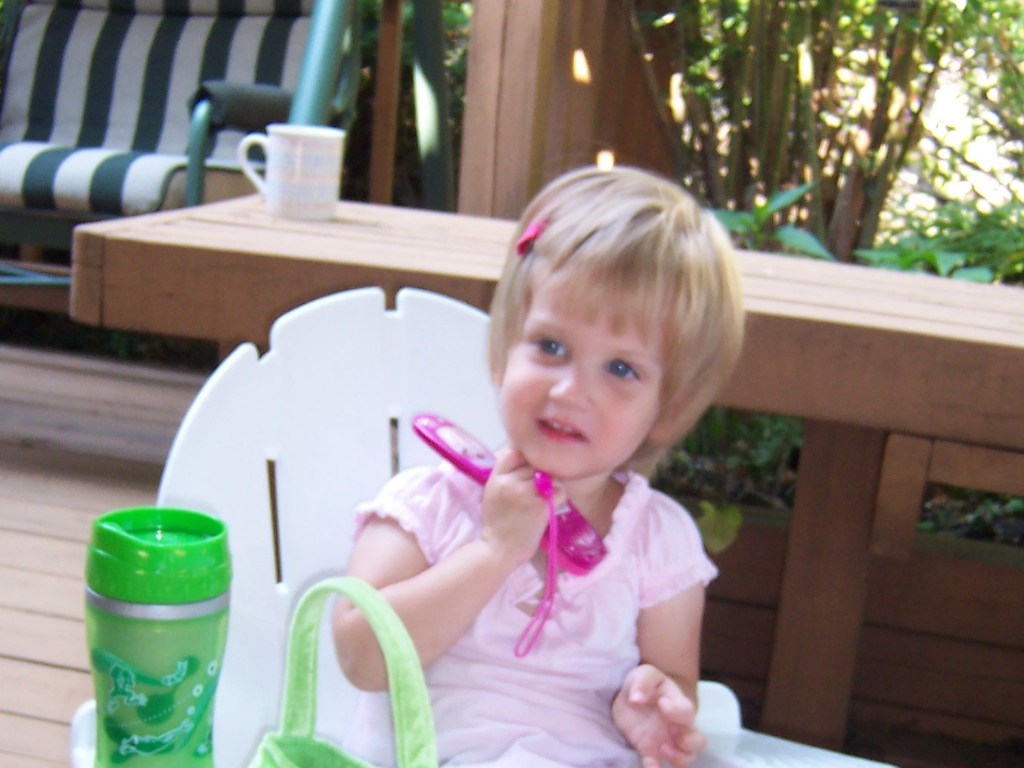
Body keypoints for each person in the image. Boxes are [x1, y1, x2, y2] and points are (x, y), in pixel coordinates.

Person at [332, 165, 745, 768]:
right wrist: (494, 549)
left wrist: (655, 704)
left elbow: (676, 678)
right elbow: (360, 658)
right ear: (503, 351)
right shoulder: (429, 505)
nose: (572, 390)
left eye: (621, 369)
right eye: (551, 347)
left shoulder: (659, 542)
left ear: (668, 409)